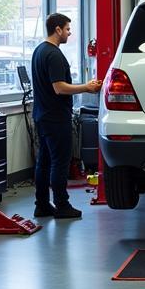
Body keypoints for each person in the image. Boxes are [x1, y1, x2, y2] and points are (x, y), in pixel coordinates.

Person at [31, 13, 101, 219]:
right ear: (58, 29)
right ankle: (62, 205)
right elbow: (59, 88)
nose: (70, 33)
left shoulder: (39, 51)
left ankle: (42, 204)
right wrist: (87, 88)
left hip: (42, 116)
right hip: (55, 118)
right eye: (68, 29)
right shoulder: (53, 55)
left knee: (43, 163)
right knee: (60, 162)